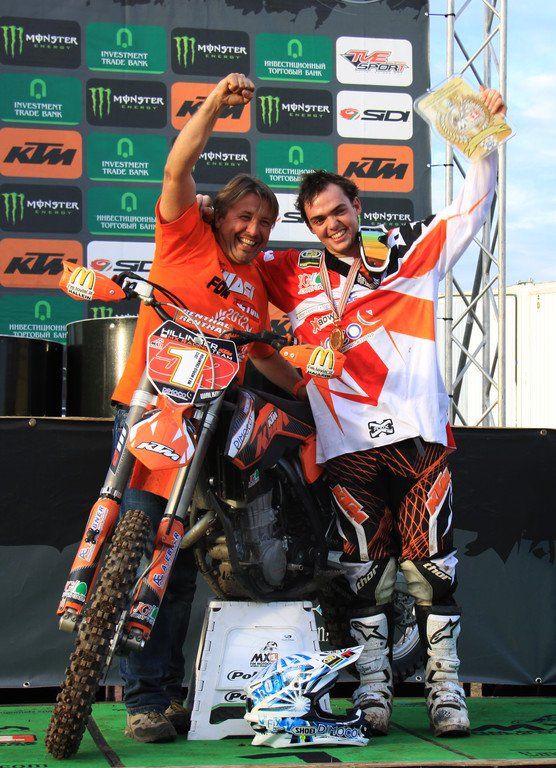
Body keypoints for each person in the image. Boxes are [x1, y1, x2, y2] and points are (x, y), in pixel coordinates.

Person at [255, 88, 507, 738]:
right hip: (347, 450)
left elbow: (472, 206)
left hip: (418, 440)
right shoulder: (292, 273)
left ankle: (446, 691)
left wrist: (479, 136)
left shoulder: (407, 252)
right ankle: (372, 690)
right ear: (309, 226)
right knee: (364, 578)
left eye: (339, 211)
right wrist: (206, 214)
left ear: (357, 206)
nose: (332, 225)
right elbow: (232, 252)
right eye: (319, 219)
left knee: (432, 573)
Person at [111, 72, 303, 744]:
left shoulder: (256, 286)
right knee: (139, 546)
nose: (254, 231)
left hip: (212, 431)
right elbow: (178, 165)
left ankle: (163, 697)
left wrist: (318, 390)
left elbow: (266, 360)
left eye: (265, 223)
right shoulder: (184, 236)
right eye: (244, 217)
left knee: (179, 562)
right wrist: (216, 104)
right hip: (151, 411)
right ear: (218, 215)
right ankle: (142, 696)